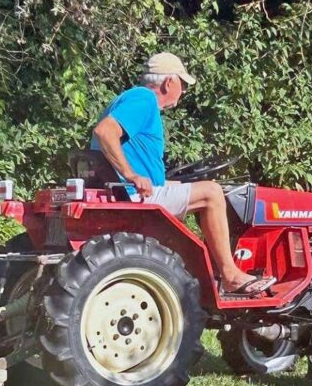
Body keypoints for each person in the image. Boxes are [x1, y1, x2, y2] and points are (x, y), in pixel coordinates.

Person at [90, 52, 275, 296]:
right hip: (136, 195)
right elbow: (105, 132)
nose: (184, 90)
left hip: (135, 190)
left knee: (198, 186)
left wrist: (151, 178)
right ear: (169, 83)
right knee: (212, 193)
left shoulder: (127, 100)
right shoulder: (143, 99)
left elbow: (134, 158)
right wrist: (132, 175)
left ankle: (204, 274)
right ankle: (230, 274)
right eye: (183, 84)